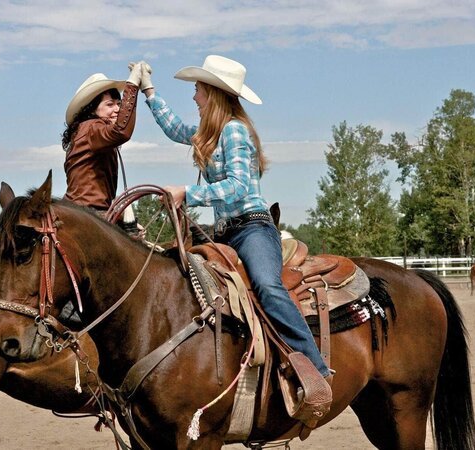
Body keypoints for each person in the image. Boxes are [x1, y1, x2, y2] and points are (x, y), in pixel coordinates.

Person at [138, 55, 332, 383]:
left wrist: (187, 193)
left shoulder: (234, 132)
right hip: (225, 233)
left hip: (251, 227)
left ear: (213, 93)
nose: (194, 96)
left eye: (198, 89)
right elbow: (173, 129)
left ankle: (315, 367)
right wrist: (149, 91)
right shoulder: (209, 132)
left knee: (268, 287)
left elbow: (239, 186)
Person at [62, 64, 143, 221]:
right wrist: (132, 85)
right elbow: (121, 132)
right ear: (92, 109)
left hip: (84, 210)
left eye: (119, 104)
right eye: (109, 104)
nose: (118, 109)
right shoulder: (93, 128)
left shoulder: (87, 130)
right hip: (87, 213)